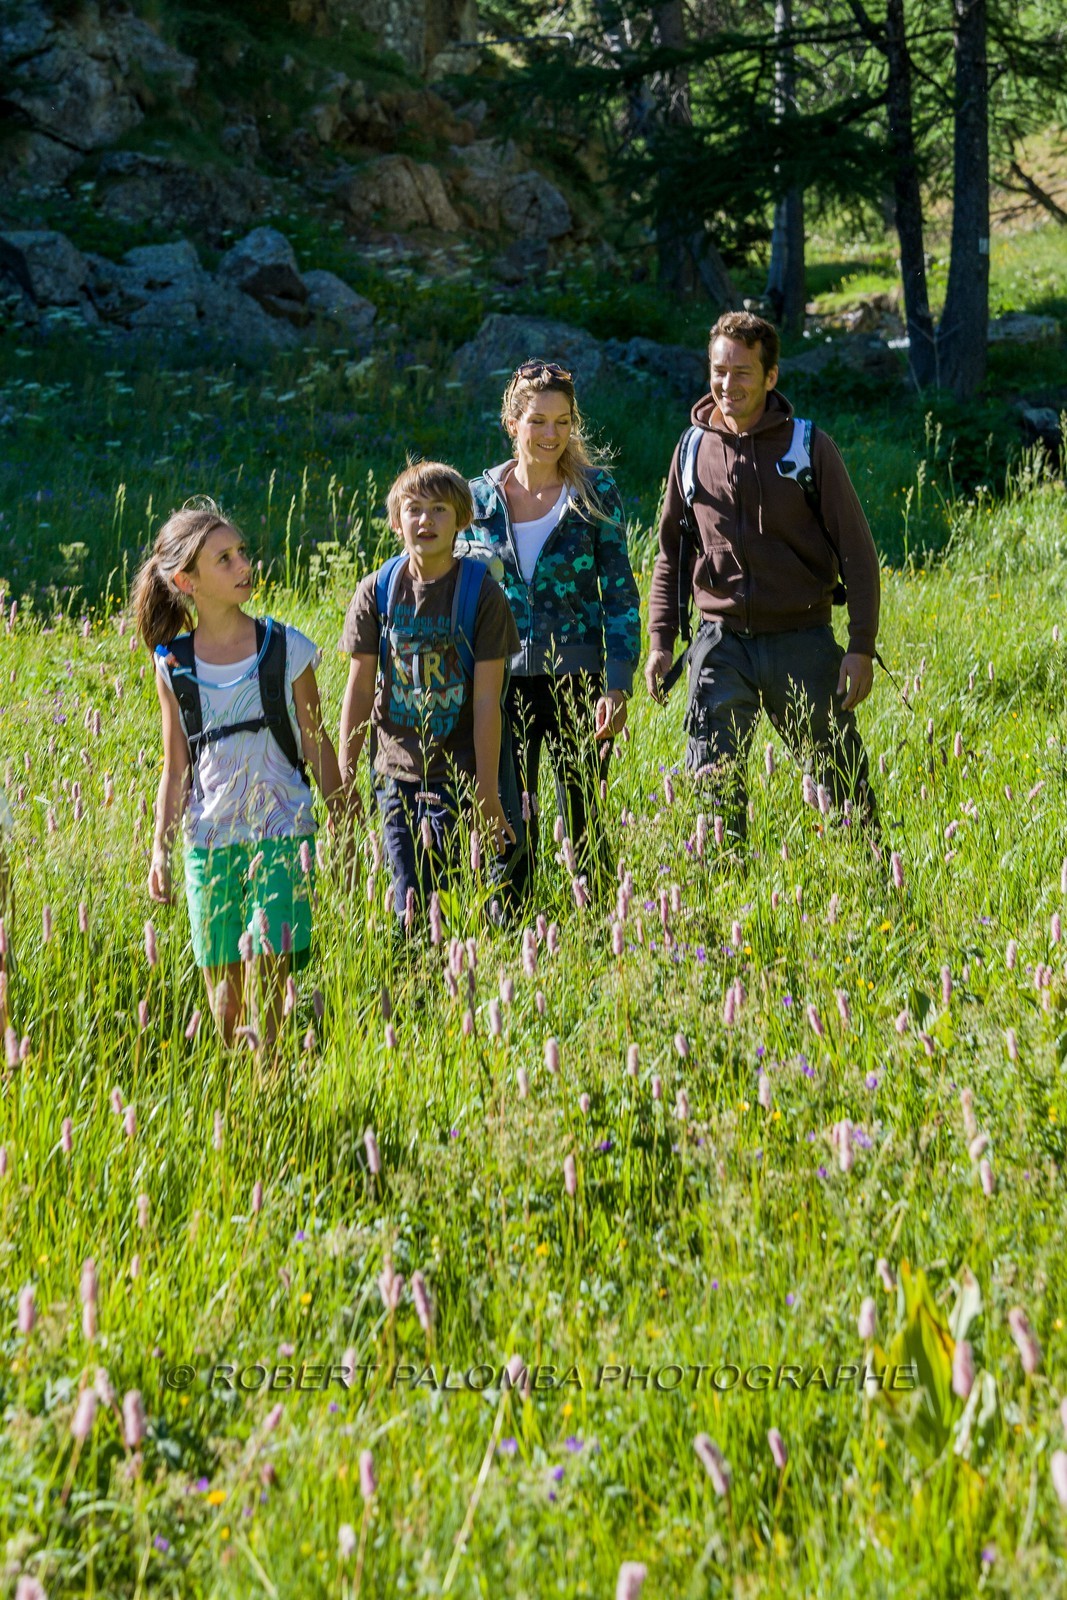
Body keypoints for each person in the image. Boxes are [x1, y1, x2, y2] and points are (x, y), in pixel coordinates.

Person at [644, 311, 880, 843]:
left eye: (743, 372)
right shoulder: (691, 451)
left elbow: (858, 553)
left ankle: (872, 883)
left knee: (841, 782)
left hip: (803, 641)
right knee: (712, 790)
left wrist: (861, 645)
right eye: (719, 370)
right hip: (720, 644)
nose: (728, 385)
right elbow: (671, 554)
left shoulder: (807, 447)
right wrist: (661, 640)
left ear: (771, 376)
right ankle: (717, 900)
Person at [135, 497, 347, 1052]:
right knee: (224, 996)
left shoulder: (285, 647)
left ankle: (273, 1080)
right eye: (223, 559)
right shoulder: (172, 664)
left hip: (283, 831)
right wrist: (159, 849)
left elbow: (316, 741)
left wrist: (347, 822)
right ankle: (247, 1099)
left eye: (241, 552)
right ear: (186, 581)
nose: (242, 565)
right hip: (209, 841)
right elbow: (176, 765)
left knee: (276, 979)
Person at [465, 360, 641, 895]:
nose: (551, 435)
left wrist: (617, 681)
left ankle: (597, 925)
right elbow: (456, 597)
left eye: (562, 422)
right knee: (510, 820)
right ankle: (509, 926)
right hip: (500, 684)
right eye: (538, 421)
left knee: (583, 816)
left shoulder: (595, 493)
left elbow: (620, 593)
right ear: (512, 422)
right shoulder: (476, 499)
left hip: (578, 684)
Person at [338, 461, 520, 926]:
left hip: (457, 772)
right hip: (395, 770)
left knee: (452, 891)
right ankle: (412, 977)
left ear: (462, 520)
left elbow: (487, 701)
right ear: (396, 522)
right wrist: (344, 768)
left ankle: (453, 976)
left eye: (438, 509)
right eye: (413, 509)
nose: (425, 521)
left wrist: (486, 788)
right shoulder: (377, 591)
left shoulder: (482, 595)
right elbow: (359, 687)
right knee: (409, 896)